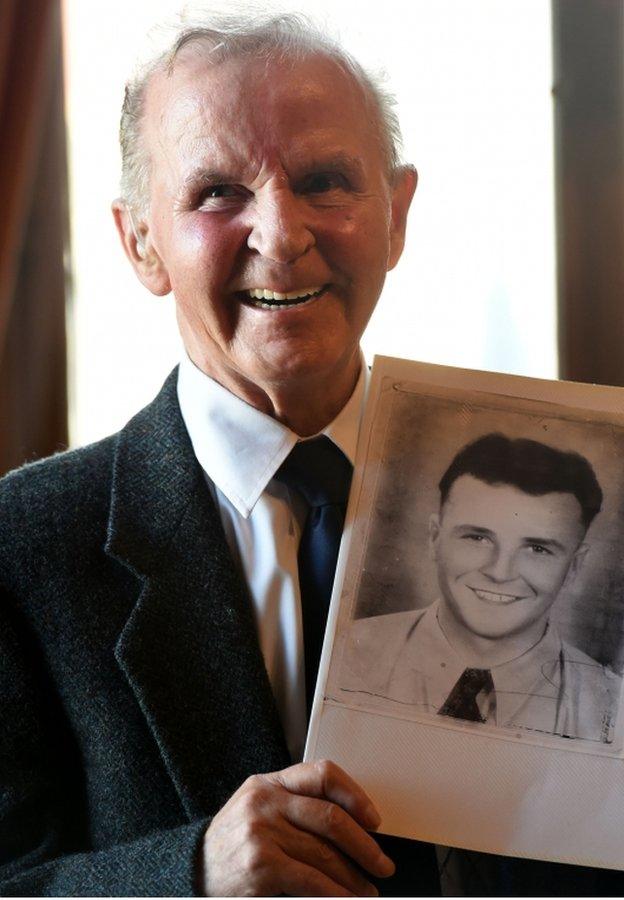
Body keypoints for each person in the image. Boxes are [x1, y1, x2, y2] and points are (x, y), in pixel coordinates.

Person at [0, 11, 434, 898]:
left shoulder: (554, 507)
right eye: (215, 194)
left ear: (396, 215)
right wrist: (191, 876)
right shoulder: (19, 546)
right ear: (141, 243)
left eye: (323, 181)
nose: (280, 232)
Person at [342, 433, 621, 743]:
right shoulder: (346, 654)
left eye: (537, 549)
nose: (500, 573)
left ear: (575, 566)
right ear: (435, 538)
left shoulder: (614, 707)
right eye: (477, 538)